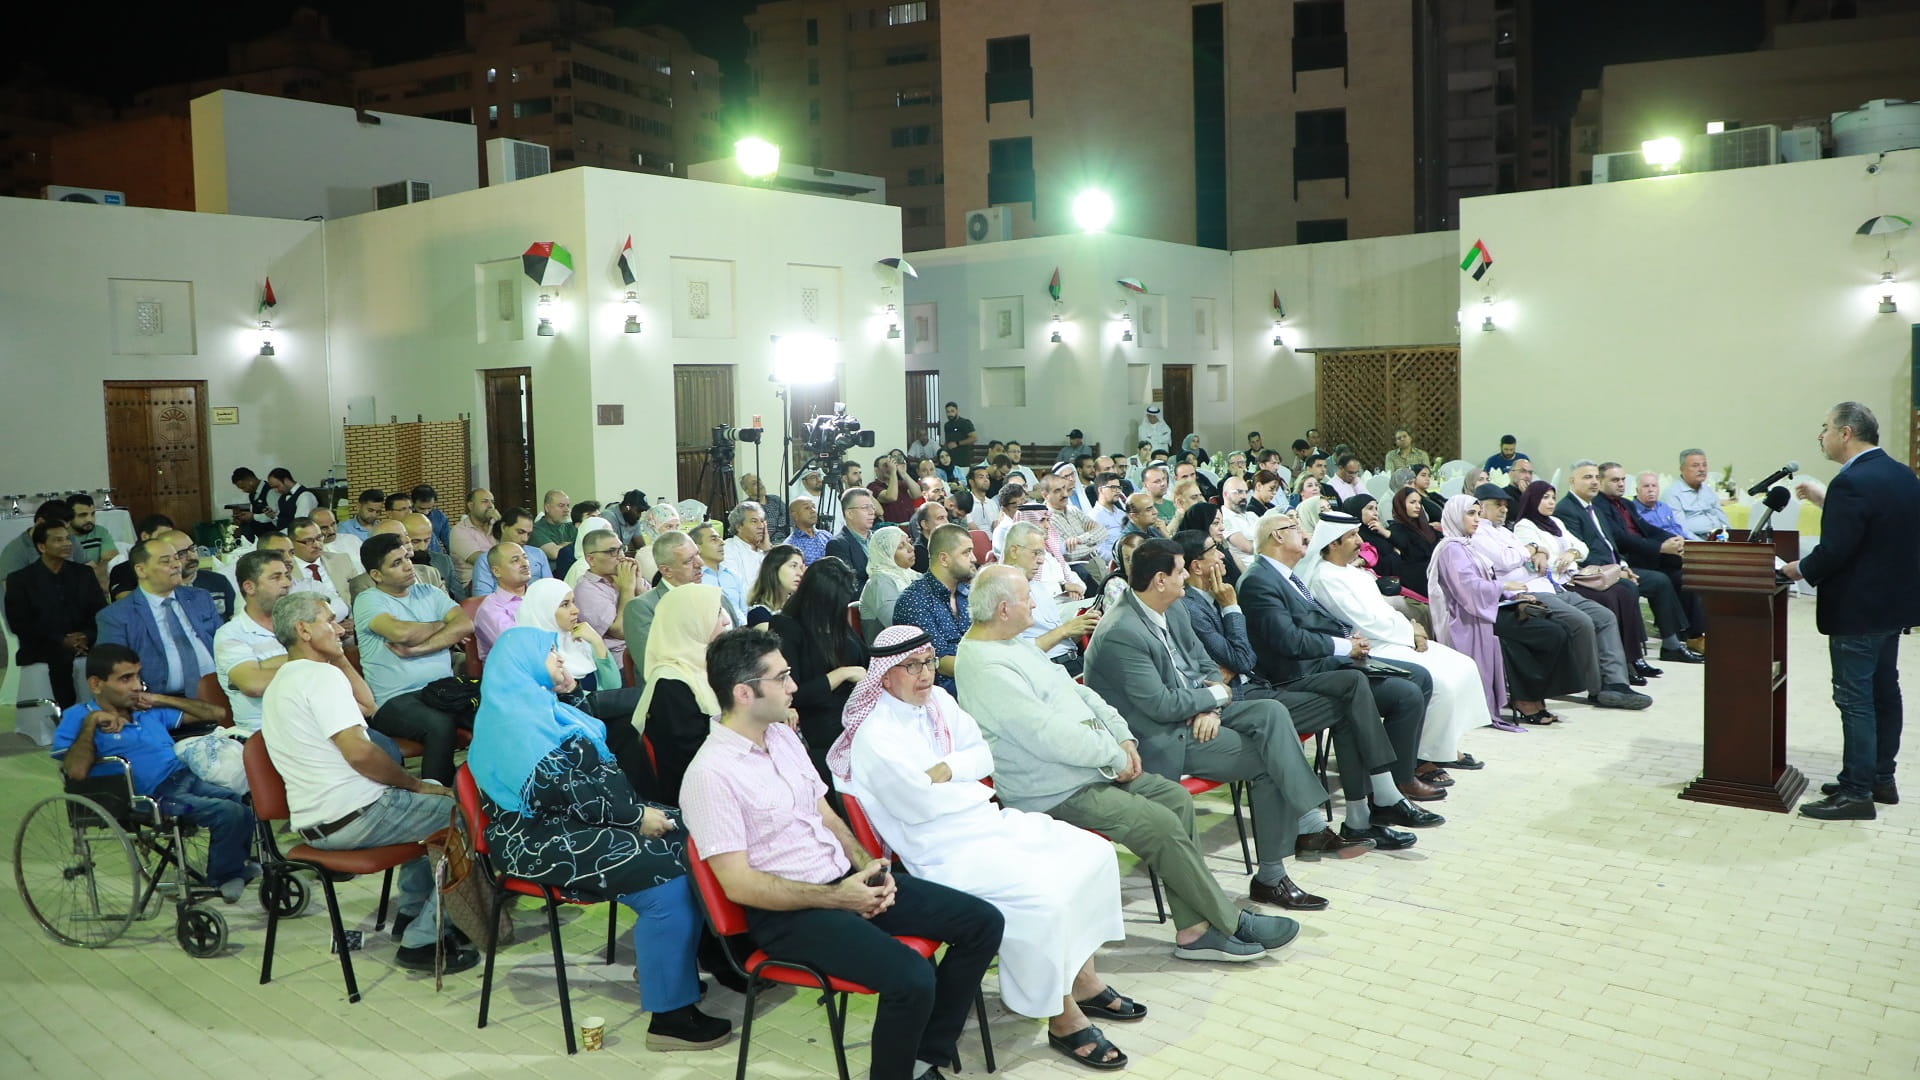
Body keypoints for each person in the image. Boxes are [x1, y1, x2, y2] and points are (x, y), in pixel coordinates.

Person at [681, 628, 1004, 1080]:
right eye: (781, 678)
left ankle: (922, 1056)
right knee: (911, 979)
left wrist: (867, 865)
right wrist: (838, 898)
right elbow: (739, 884)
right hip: (788, 914)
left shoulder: (783, 736)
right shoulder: (710, 774)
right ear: (744, 692)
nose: (794, 686)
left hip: (844, 883)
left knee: (982, 923)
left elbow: (825, 814)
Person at [956, 566, 1300, 962]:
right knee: (1161, 825)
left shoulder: (1012, 643)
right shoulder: (984, 665)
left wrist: (1122, 738)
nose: (1035, 602)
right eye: (1026, 598)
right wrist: (1112, 755)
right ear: (1003, 609)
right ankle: (1229, 921)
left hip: (1092, 767)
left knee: (1174, 799)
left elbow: (1080, 693)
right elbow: (1046, 733)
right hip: (1053, 790)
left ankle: (1192, 930)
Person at [833, 627, 1140, 1067]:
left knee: (1091, 854)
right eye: (911, 666)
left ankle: (1083, 980)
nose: (925, 675)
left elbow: (983, 758)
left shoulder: (939, 700)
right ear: (883, 676)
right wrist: (962, 778)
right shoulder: (875, 736)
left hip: (985, 822)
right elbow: (921, 806)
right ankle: (1060, 1014)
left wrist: (945, 771)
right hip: (941, 850)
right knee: (1043, 899)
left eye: (929, 662)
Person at [465, 624, 731, 1047]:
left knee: (702, 833)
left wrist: (637, 813)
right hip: (538, 840)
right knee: (670, 876)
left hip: (584, 819)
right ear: (523, 665)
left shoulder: (544, 707)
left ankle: (684, 958)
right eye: (550, 652)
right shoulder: (512, 725)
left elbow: (588, 788)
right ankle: (670, 1018)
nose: (559, 658)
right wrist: (635, 817)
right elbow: (564, 792)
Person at [1083, 539, 1330, 910]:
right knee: (1269, 763)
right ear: (1160, 579)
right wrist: (1213, 699)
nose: (1188, 576)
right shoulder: (1122, 631)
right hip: (1160, 737)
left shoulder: (1173, 606)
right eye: (1181, 570)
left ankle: (1306, 820)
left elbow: (1206, 667)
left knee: (1271, 713)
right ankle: (1273, 875)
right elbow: (1160, 704)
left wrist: (1210, 708)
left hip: (1196, 713)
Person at [257, 593, 477, 971]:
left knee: (431, 807)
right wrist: (412, 785)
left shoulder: (285, 681)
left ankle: (410, 912)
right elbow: (359, 752)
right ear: (303, 629)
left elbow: (369, 707)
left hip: (318, 821)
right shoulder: (319, 678)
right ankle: (425, 939)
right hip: (354, 816)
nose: (340, 629)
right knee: (469, 817)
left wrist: (339, 656)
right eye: (329, 621)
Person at [1173, 529, 1407, 854]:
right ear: (1197, 565)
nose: (1222, 555)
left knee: (1351, 699)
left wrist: (1231, 644)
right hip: (1242, 699)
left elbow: (1240, 659)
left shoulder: (1212, 596)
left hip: (1252, 686)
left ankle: (1361, 811)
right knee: (1342, 703)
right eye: (1214, 549)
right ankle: (1338, 817)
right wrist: (1231, 608)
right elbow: (1243, 657)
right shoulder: (1194, 607)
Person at [1237, 510, 1448, 818]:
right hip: (1294, 675)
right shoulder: (1258, 580)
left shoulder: (1287, 575)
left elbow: (1315, 619)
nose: (1305, 533)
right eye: (1295, 527)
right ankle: (1390, 788)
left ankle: (1398, 778)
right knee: (1404, 693)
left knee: (1419, 677)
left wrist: (1349, 636)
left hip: (1323, 662)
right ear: (1278, 536)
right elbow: (1288, 640)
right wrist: (1344, 647)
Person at [1783, 403, 1920, 819]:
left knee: (1855, 698)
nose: (1820, 436)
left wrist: (1797, 570)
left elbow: (1837, 549)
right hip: (1892, 607)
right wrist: (1828, 501)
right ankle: (1881, 778)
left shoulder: (1852, 480)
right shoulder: (1900, 474)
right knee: (1884, 693)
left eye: (1824, 428)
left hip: (1858, 610)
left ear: (1845, 433)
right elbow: (1875, 527)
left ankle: (1855, 793)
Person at [1298, 512, 1492, 779]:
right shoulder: (1324, 578)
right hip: (1372, 646)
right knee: (1441, 684)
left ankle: (1443, 747)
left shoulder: (1353, 572)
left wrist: (1411, 629)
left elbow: (1382, 611)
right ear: (1332, 543)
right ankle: (1419, 757)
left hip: (1396, 636)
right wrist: (1410, 632)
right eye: (1352, 536)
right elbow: (1364, 623)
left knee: (1464, 666)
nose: (1359, 540)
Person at [55, 643, 254, 901]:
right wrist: (91, 724)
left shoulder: (146, 711)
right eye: (126, 678)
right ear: (96, 684)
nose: (137, 685)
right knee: (226, 812)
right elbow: (76, 772)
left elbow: (216, 713)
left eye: (138, 676)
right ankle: (223, 878)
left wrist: (160, 698)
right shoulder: (78, 717)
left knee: (238, 800)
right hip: (155, 799)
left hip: (184, 778)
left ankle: (234, 868)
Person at [1471, 484, 1648, 712]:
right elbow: (1506, 559)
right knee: (1582, 622)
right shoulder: (1480, 532)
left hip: (1552, 585)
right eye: (1498, 505)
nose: (1504, 509)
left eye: (1506, 505)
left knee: (1605, 616)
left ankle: (1617, 682)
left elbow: (1564, 549)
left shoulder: (1505, 531)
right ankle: (1598, 688)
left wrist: (1539, 550)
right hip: (1528, 590)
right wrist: (1535, 549)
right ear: (1481, 507)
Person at [1430, 496, 1584, 727]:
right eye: (1470, 514)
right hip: (1468, 617)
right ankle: (1527, 699)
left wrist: (1514, 596)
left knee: (1546, 631)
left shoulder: (1465, 545)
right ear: (1454, 516)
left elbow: (1484, 579)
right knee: (1548, 633)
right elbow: (1468, 589)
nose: (1476, 519)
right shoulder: (1452, 549)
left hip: (1487, 608)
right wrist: (1503, 587)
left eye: (1477, 513)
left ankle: (1530, 697)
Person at [352, 533, 473, 784]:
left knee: (491, 711)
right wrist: (443, 625)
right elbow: (401, 633)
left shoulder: (428, 591)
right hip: (394, 699)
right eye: (396, 563)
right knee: (439, 725)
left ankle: (486, 788)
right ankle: (438, 795)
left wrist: (419, 648)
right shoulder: (368, 600)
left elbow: (464, 624)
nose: (408, 565)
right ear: (376, 575)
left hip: (442, 690)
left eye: (406, 558)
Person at [1512, 481, 1657, 684]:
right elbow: (1535, 562)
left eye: (1553, 497)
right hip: (1556, 582)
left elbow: (1582, 547)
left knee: (1625, 591)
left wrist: (1572, 553)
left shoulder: (1556, 522)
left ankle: (1630, 659)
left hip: (1574, 577)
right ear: (1532, 499)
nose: (1551, 502)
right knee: (1609, 597)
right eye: (1545, 497)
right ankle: (1612, 669)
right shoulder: (1525, 525)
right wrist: (1561, 559)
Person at [768, 557, 869, 782]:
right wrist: (842, 674)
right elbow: (793, 693)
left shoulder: (835, 622)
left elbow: (865, 660)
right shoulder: (787, 627)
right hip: (819, 720)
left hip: (854, 712)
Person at [635, 584, 732, 805]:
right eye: (716, 613)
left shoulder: (707, 667)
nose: (726, 620)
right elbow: (691, 757)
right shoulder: (670, 684)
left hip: (726, 775)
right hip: (701, 794)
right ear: (692, 623)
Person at [94, 537, 222, 699]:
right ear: (141, 570)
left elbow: (223, 643)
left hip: (217, 692)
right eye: (165, 561)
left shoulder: (200, 598)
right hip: (158, 702)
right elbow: (112, 672)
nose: (176, 565)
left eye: (176, 558)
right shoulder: (116, 616)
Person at [6, 521, 106, 707]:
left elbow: (100, 612)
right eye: (58, 540)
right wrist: (61, 640)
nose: (67, 543)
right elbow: (19, 623)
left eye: (68, 539)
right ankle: (68, 715)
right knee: (60, 655)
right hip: (42, 644)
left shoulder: (84, 574)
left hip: (86, 640)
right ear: (42, 546)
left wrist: (86, 636)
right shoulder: (20, 580)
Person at [625, 530, 740, 676]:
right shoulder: (642, 608)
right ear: (667, 570)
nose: (700, 563)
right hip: (676, 692)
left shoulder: (716, 597)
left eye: (698, 554)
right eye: (689, 561)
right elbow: (654, 668)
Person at [212, 549, 296, 733]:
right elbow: (253, 685)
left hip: (308, 723)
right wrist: (305, 656)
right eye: (276, 577)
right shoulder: (231, 634)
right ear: (250, 587)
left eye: (287, 576)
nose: (286, 583)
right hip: (264, 733)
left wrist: (265, 665)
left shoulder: (297, 623)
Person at [1001, 522, 1101, 674]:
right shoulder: (1002, 591)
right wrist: (1065, 630)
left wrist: (1080, 627)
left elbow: (1062, 641)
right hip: (1047, 668)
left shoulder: (1038, 586)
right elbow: (1019, 652)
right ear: (1014, 551)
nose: (1041, 560)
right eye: (1036, 553)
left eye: (1043, 553)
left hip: (1071, 661)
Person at [891, 524, 977, 696]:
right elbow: (941, 664)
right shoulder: (915, 601)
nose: (974, 558)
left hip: (975, 679)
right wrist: (995, 665)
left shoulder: (966, 593)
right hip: (940, 693)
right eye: (966, 552)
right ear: (944, 559)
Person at [469, 507, 553, 597]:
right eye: (520, 532)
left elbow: (551, 589)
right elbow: (482, 599)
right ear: (504, 527)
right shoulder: (486, 559)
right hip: (503, 608)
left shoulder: (538, 554)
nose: (525, 539)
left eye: (528, 534)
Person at [472, 542, 533, 659]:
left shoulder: (539, 595)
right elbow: (516, 648)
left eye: (525, 558)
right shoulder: (490, 609)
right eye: (515, 560)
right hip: (513, 672)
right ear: (496, 571)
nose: (525, 564)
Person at [859, 526, 918, 641]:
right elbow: (898, 625)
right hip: (893, 652)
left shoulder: (912, 575)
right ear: (886, 554)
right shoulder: (879, 582)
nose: (911, 548)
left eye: (909, 542)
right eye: (901, 546)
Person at [1662, 449, 1731, 540]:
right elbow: (1680, 530)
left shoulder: (1708, 491)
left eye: (1704, 465)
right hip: (1694, 544)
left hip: (1717, 539)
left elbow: (1723, 519)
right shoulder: (1672, 494)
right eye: (1695, 466)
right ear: (1682, 469)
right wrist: (1706, 546)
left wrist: (1732, 538)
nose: (1702, 469)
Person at [691, 522, 746, 618]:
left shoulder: (734, 576)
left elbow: (744, 612)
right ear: (697, 547)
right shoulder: (693, 580)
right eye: (714, 539)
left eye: (720, 538)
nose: (722, 542)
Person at [825, 488, 877, 588]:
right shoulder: (838, 545)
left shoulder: (878, 539)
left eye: (872, 507)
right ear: (849, 514)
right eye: (865, 508)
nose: (871, 512)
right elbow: (848, 585)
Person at [449, 488, 499, 590]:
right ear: (471, 506)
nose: (490, 506)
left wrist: (500, 525)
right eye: (484, 502)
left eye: (492, 502)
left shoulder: (496, 525)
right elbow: (481, 561)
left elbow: (513, 548)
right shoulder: (460, 530)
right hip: (473, 583)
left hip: (499, 577)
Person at [745, 543, 804, 627]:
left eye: (801, 568)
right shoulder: (759, 614)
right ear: (774, 569)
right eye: (793, 566)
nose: (800, 573)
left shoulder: (798, 606)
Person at [64, 493, 119, 582]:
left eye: (92, 514)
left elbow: (111, 560)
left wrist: (91, 573)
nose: (90, 519)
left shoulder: (100, 532)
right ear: (69, 517)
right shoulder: (62, 536)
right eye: (82, 515)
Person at [722, 500, 771, 589]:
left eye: (762, 521)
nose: (761, 526)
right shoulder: (727, 548)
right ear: (739, 526)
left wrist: (767, 551)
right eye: (754, 521)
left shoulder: (765, 550)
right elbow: (736, 587)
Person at [1633, 471, 1688, 538]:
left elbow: (1675, 527)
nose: (1651, 490)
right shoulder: (1633, 511)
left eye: (1654, 486)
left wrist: (1687, 540)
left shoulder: (1664, 507)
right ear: (1637, 490)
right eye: (1646, 486)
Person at [784, 492, 831, 566]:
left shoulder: (826, 536)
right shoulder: (790, 545)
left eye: (813, 507)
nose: (813, 511)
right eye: (807, 508)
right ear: (795, 515)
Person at [941, 401, 979, 468]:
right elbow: (947, 441)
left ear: (957, 411)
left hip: (963, 460)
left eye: (952, 411)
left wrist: (957, 443)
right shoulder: (947, 425)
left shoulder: (965, 423)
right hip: (950, 461)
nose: (950, 414)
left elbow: (974, 438)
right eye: (948, 412)